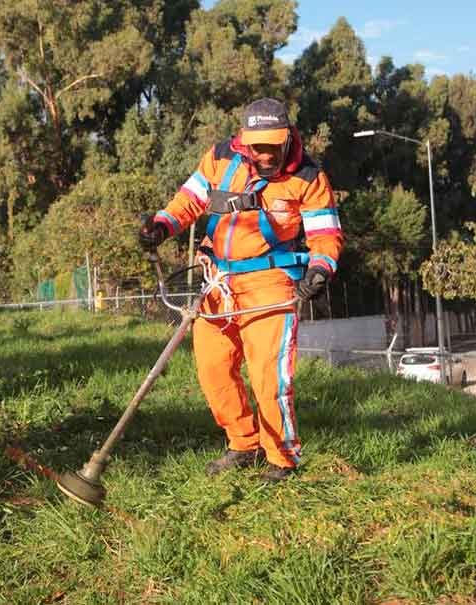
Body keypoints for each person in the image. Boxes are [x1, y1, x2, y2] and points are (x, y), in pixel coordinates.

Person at [138, 98, 343, 483]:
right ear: (243, 140)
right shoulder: (218, 159)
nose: (264, 154)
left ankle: (282, 460)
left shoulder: (309, 178)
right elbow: (188, 201)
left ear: (287, 139)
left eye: (272, 146)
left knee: (270, 377)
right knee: (213, 369)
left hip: (270, 284)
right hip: (216, 280)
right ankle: (243, 443)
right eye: (256, 146)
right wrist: (161, 226)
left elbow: (325, 233)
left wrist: (320, 269)